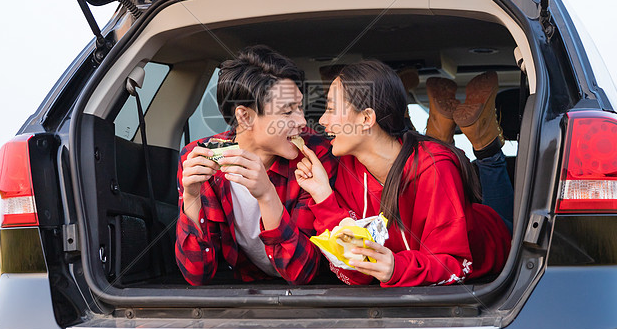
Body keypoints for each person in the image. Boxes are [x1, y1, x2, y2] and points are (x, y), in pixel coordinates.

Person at [294, 60, 511, 286]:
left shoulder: (435, 167)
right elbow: (356, 274)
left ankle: (483, 143)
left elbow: (454, 264)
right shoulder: (347, 168)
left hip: (497, 246)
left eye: (331, 109)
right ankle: (445, 130)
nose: (322, 121)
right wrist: (322, 196)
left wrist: (397, 268)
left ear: (366, 118)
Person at [175, 45, 337, 285]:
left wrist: (267, 195)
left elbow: (304, 273)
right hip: (248, 292)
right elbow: (196, 274)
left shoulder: (316, 155)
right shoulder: (200, 158)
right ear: (245, 117)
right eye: (287, 111)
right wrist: (191, 197)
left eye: (299, 107)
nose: (302, 121)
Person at [426, 71, 514, 232]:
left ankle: (438, 137)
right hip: (476, 238)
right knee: (499, 231)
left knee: (426, 169)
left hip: (436, 236)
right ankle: (486, 148)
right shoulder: (539, 169)